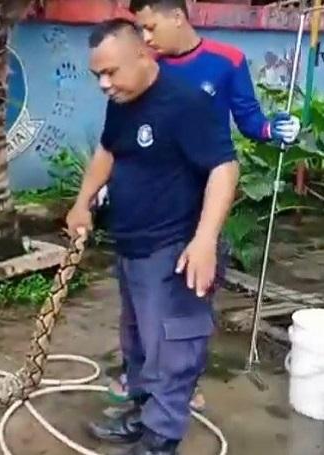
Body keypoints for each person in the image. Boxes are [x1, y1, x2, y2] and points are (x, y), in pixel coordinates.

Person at [101, 0, 303, 412]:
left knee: (185, 304)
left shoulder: (226, 61)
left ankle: (183, 384)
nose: (145, 38)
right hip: (148, 200)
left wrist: (273, 129)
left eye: (150, 27)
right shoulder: (145, 63)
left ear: (177, 16)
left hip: (199, 199)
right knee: (138, 304)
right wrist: (109, 180)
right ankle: (137, 375)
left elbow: (249, 121)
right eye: (140, 30)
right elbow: (123, 131)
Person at [69, 18, 247, 454]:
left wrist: (204, 241)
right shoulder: (122, 102)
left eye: (111, 72)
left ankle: (161, 438)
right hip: (133, 245)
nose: (104, 84)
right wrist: (81, 202)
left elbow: (224, 168)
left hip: (175, 249)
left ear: (142, 55)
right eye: (97, 75)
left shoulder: (186, 103)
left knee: (172, 348)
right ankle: (142, 414)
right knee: (138, 341)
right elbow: (108, 150)